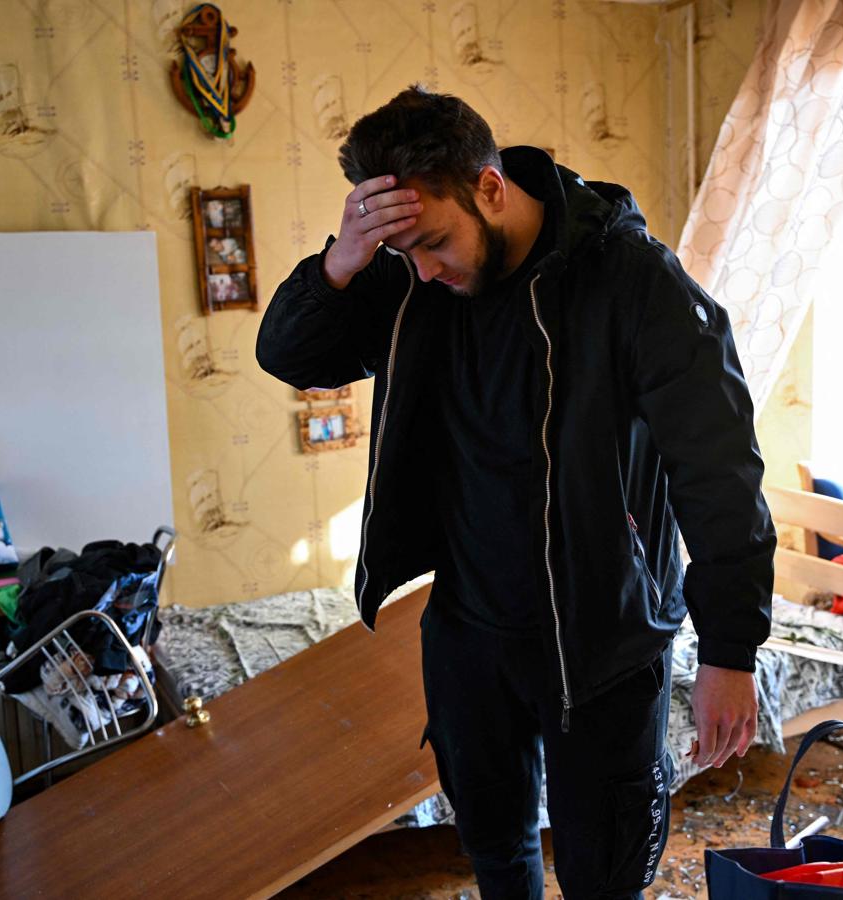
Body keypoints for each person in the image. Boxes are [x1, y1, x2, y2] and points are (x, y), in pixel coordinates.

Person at [255, 86, 775, 900]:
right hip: (468, 632)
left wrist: (729, 649)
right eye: (404, 254)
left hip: (604, 639)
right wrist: (346, 259)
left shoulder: (633, 282)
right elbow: (290, 354)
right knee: (497, 855)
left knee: (605, 873)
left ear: (491, 189)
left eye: (432, 242)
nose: (423, 269)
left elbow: (720, 471)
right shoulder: (412, 277)